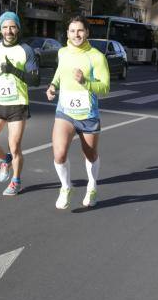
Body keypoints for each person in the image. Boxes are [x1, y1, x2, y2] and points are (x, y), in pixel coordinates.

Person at [46, 16, 110, 209]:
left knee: (90, 154)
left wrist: (85, 82)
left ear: (87, 32)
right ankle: (66, 187)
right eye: (72, 31)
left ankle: (92, 185)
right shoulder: (63, 52)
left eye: (80, 30)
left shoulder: (97, 56)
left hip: (88, 114)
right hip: (65, 111)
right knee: (59, 153)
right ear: (67, 33)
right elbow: (60, 71)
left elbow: (105, 88)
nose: (76, 34)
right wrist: (52, 85)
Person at [0, 11, 40, 196]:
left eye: (12, 27)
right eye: (5, 27)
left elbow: (35, 81)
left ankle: (16, 181)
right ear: (0, 29)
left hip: (17, 104)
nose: (9, 31)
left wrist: (13, 70)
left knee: (15, 146)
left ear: (18, 29)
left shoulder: (26, 50)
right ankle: (5, 159)